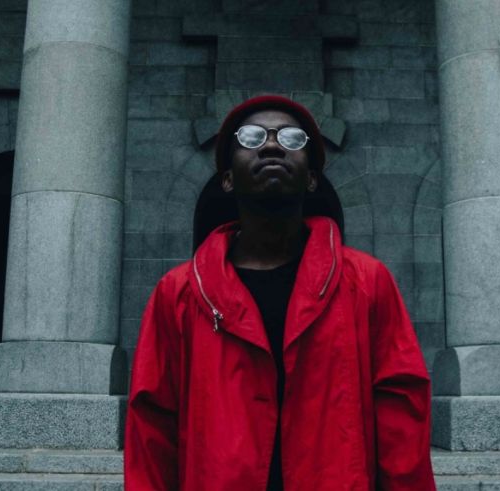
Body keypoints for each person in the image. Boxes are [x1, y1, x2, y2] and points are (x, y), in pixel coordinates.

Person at [125, 95, 435, 490]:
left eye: (291, 138)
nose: (271, 145)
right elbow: (152, 426)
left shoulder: (367, 283)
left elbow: (402, 416)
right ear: (227, 178)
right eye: (251, 137)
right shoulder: (179, 294)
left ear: (311, 177)